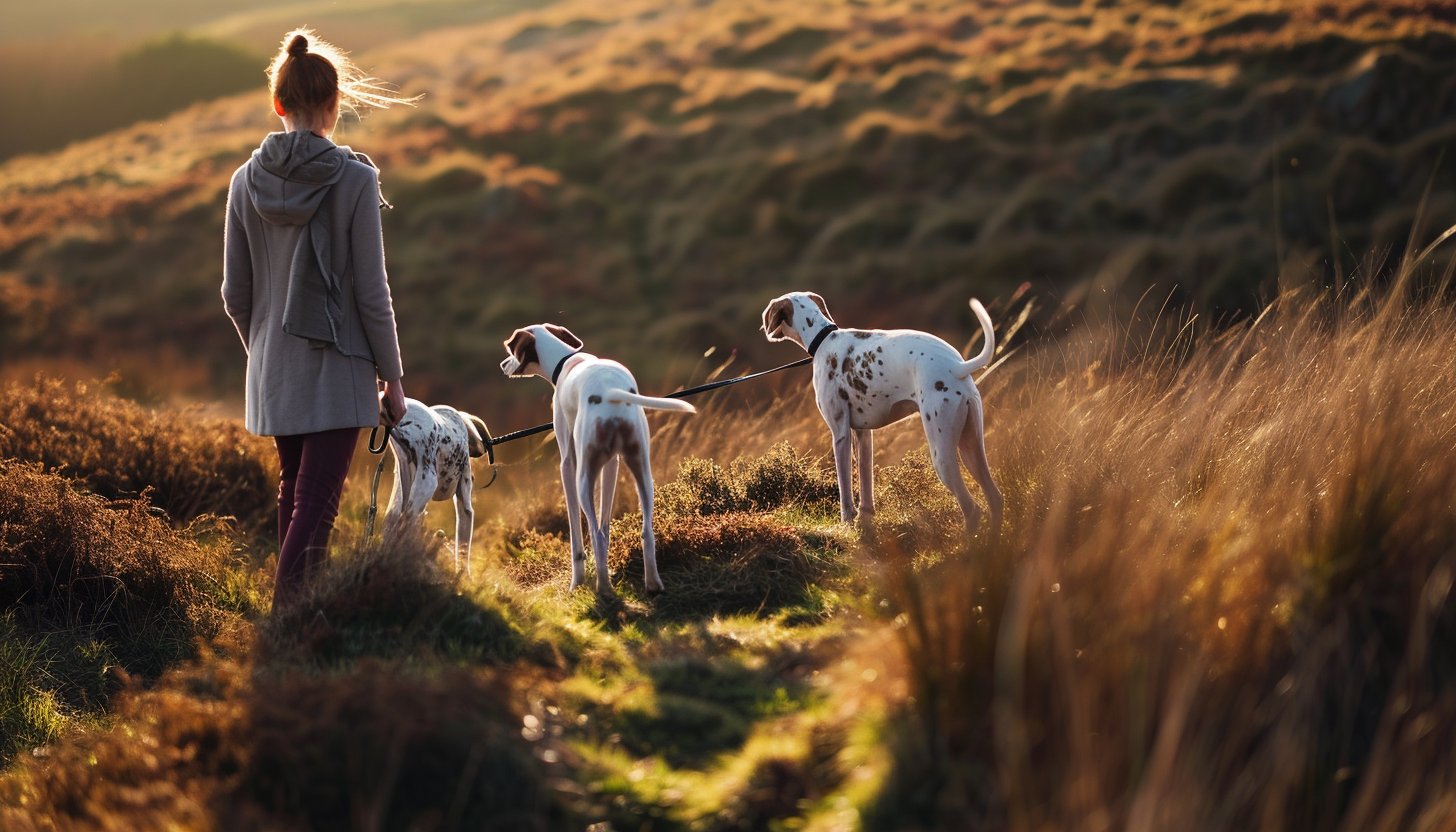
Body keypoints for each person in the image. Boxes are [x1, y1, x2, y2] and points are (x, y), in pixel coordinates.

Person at [222, 29, 416, 611]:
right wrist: (393, 377)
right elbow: (371, 292)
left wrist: (262, 351)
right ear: (335, 106)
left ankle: (305, 625)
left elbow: (236, 294)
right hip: (338, 369)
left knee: (296, 493)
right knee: (317, 501)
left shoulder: (242, 181)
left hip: (274, 367)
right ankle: (287, 626)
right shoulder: (356, 180)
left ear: (278, 104)